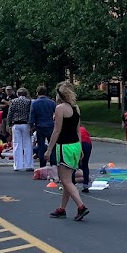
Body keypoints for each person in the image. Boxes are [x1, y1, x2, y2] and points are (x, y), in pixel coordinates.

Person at [48, 81, 89, 220]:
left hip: (64, 146)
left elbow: (57, 130)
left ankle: (81, 206)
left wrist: (49, 149)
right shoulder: (76, 108)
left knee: (65, 180)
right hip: (75, 145)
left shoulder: (60, 108)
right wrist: (80, 147)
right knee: (68, 180)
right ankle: (62, 208)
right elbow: (78, 130)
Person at [6, 86, 34, 172]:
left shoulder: (13, 101)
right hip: (26, 124)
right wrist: (32, 125)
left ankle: (17, 165)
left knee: (17, 145)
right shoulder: (29, 102)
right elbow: (31, 113)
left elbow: (10, 113)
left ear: (18, 94)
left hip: (16, 124)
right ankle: (29, 165)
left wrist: (9, 124)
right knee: (27, 144)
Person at [31, 85, 56, 168]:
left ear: (37, 93)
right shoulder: (51, 102)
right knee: (52, 145)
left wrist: (31, 126)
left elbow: (32, 116)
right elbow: (56, 113)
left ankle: (42, 165)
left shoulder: (34, 103)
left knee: (41, 146)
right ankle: (53, 164)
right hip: (50, 125)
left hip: (40, 126)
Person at [78, 123, 93, 189]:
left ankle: (72, 183)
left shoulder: (74, 129)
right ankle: (85, 184)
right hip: (88, 144)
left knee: (73, 165)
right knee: (85, 164)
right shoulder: (83, 129)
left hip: (79, 144)